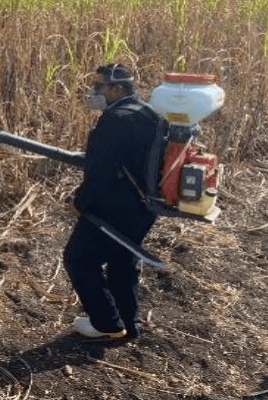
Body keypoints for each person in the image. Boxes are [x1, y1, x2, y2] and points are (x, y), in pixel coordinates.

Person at [64, 63, 161, 340]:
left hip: (114, 208)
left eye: (99, 86)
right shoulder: (146, 112)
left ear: (117, 88)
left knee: (79, 258)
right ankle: (127, 325)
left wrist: (81, 202)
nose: (93, 91)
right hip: (143, 207)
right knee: (122, 260)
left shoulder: (116, 119)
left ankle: (106, 324)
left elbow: (101, 172)